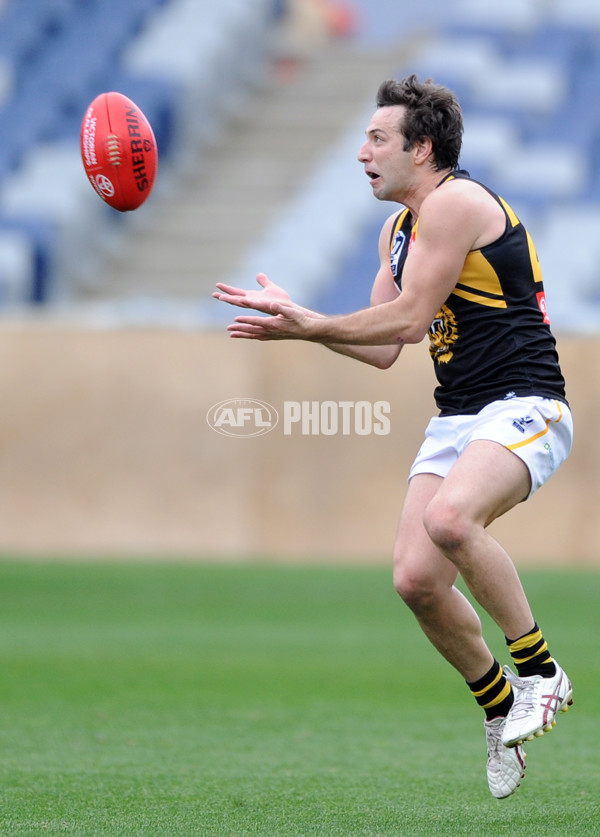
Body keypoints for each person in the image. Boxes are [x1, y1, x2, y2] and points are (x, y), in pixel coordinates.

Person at [213, 74, 574, 798]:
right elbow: (385, 348)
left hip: (525, 405)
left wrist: (309, 322)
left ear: (424, 148)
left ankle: (539, 671)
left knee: (449, 520)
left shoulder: (458, 203)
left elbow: (408, 321)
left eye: (378, 139)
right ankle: (500, 706)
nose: (362, 154)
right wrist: (301, 319)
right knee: (414, 579)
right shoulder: (399, 229)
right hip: (459, 416)